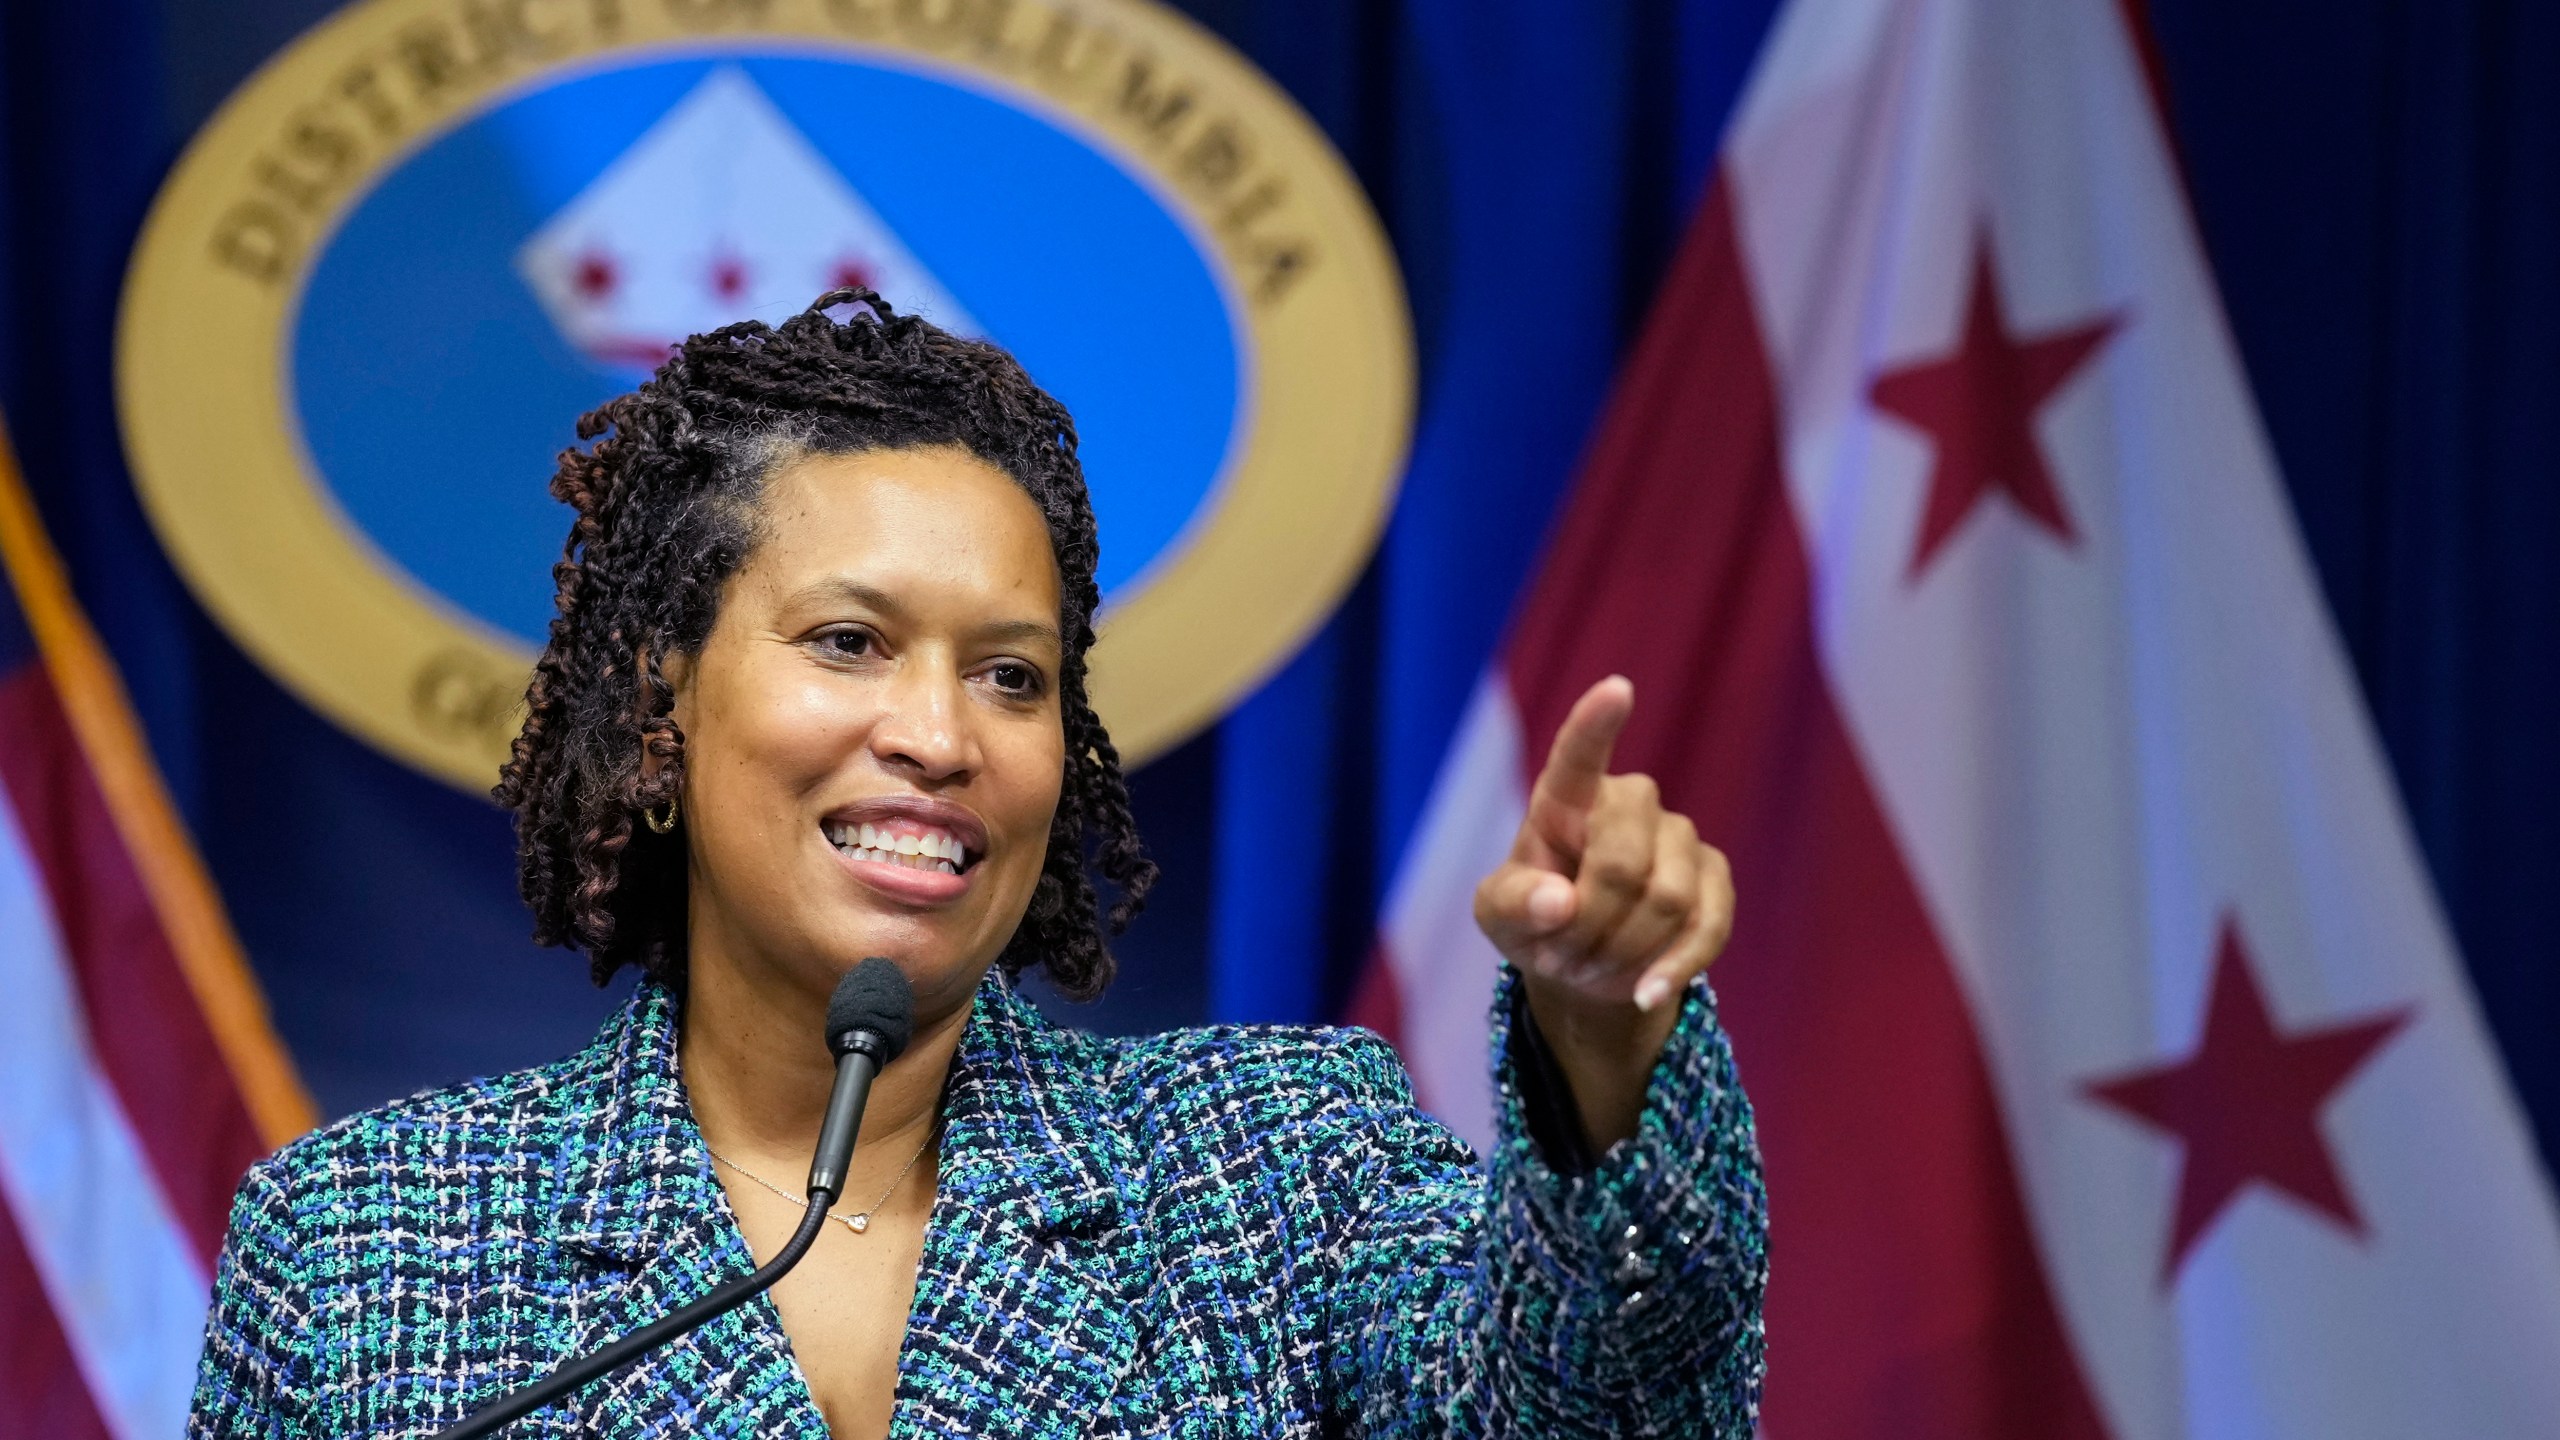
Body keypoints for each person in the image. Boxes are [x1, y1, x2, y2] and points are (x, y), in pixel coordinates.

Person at [187, 291, 1766, 1438]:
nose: (941, 735)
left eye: (1012, 676)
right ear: (664, 701)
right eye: (852, 643)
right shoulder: (366, 1243)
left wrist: (1600, 1043)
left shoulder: (1276, 1173)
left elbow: (1613, 1403)